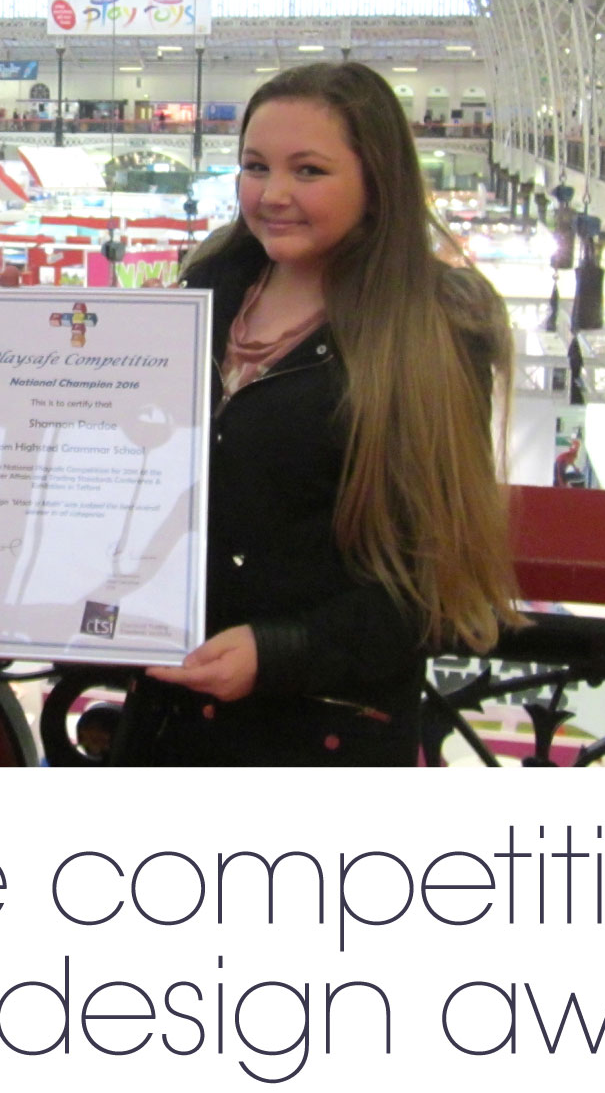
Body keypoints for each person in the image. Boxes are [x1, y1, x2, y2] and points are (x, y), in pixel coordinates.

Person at [112, 62, 520, 767]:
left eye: (308, 171)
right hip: (169, 722)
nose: (272, 194)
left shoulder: (429, 330)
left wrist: (279, 653)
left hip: (319, 738)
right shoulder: (209, 284)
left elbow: (437, 584)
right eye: (255, 166)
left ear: (377, 181)